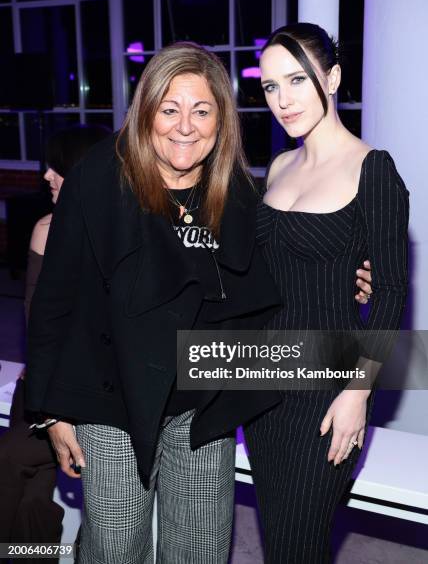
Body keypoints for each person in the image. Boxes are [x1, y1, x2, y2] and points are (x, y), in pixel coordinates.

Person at [24, 42, 372, 564]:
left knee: (202, 550)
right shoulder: (99, 177)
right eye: (169, 109)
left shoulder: (232, 187)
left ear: (221, 120)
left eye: (202, 110)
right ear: (146, 113)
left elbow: (268, 273)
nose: (185, 126)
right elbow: (53, 299)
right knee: (117, 548)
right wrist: (53, 412)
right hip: (111, 394)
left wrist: (344, 277)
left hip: (202, 401)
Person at [244, 23, 409, 563]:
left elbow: (388, 294)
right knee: (281, 540)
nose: (283, 100)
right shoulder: (280, 167)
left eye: (297, 80)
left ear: (332, 77)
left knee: (297, 542)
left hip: (329, 391)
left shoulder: (373, 169)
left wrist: (358, 394)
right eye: (270, 87)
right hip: (267, 380)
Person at [0, 125, 110, 562]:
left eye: (57, 167)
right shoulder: (45, 229)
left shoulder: (121, 233)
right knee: (30, 496)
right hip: (42, 386)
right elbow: (34, 321)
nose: (46, 175)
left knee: (10, 461)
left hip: (90, 394)